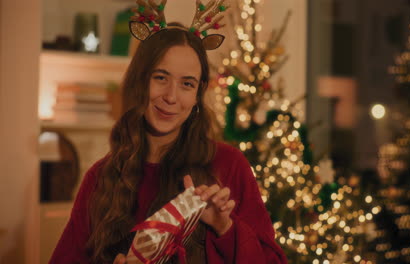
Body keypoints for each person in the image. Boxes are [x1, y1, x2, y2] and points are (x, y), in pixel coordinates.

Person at [49, 19, 288, 264]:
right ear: (140, 81)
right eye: (161, 78)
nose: (171, 97)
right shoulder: (100, 177)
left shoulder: (228, 165)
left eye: (187, 84)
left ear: (198, 94)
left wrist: (224, 226)